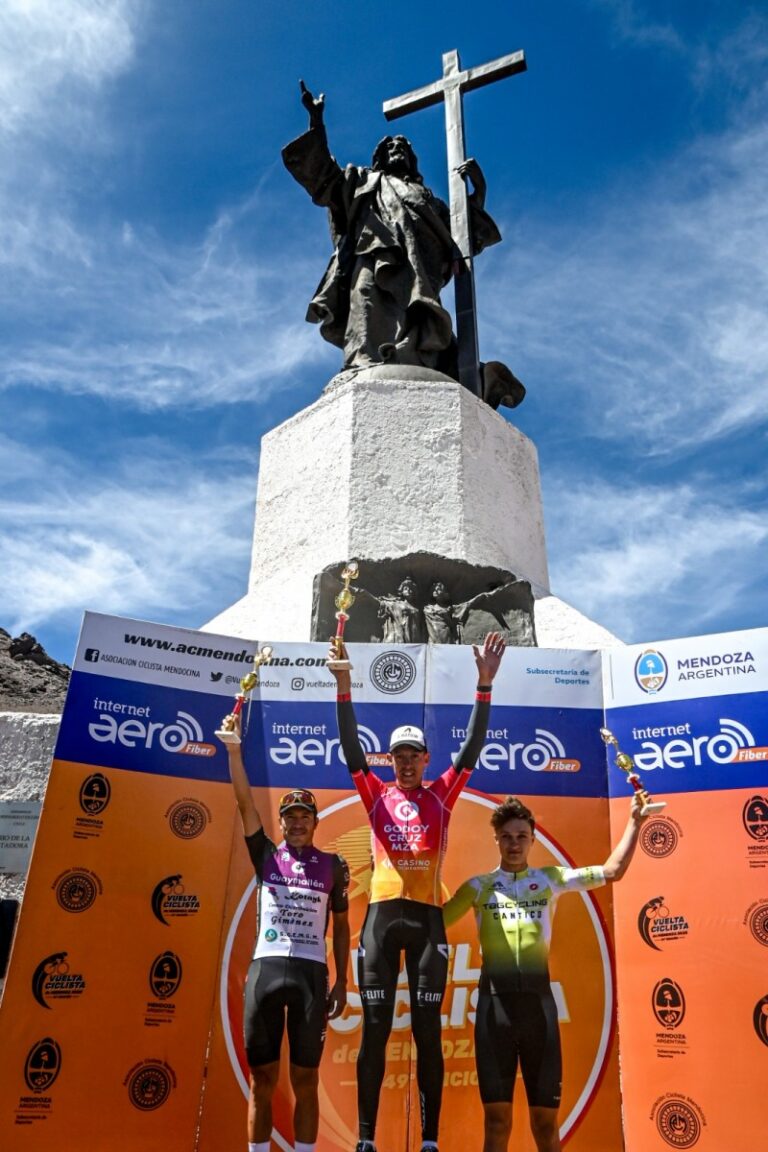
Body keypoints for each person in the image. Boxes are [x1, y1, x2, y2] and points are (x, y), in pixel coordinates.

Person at [328, 632, 506, 1152]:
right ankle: (365, 1141)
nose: (406, 763)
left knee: (428, 1032)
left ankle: (429, 1142)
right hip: (382, 922)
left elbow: (472, 746)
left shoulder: (442, 794)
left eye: (414, 755)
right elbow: (349, 748)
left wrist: (484, 685)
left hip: (427, 922)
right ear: (390, 759)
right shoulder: (375, 794)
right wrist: (344, 686)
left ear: (427, 759)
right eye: (399, 755)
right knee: (376, 1030)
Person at [443, 794, 649, 1152]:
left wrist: (635, 821)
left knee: (544, 1123)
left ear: (533, 839)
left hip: (539, 1013)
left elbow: (613, 871)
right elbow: (433, 921)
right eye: (507, 836)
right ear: (496, 839)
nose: (514, 844)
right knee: (496, 1123)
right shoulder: (478, 887)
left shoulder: (550, 878)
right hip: (495, 1013)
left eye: (522, 836)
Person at [282, 81, 501, 375]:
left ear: (412, 160)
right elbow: (326, 179)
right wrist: (316, 121)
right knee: (367, 303)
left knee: (418, 321)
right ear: (380, 158)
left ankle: (415, 363)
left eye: (402, 147)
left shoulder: (429, 201)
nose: (396, 149)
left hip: (420, 272)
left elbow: (463, 238)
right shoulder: (363, 181)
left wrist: (479, 191)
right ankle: (361, 368)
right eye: (390, 147)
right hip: (373, 255)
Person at [220, 717, 350, 1152]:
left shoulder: (333, 865)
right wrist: (234, 752)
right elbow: (244, 804)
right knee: (262, 1079)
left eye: (304, 817)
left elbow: (344, 924)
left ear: (315, 823)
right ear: (281, 822)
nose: (297, 823)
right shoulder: (267, 856)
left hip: (312, 977)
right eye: (290, 817)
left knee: (306, 1079)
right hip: (266, 976)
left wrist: (344, 980)